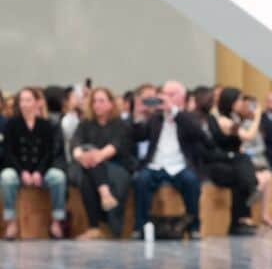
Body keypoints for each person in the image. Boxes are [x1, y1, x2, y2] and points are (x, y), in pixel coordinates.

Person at [130, 80, 204, 239]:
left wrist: (173, 111)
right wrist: (137, 115)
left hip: (180, 166)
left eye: (171, 94)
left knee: (192, 181)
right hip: (156, 165)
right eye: (164, 94)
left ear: (182, 97)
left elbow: (197, 133)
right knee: (141, 180)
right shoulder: (155, 118)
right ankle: (140, 227)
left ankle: (194, 227)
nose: (166, 98)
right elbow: (138, 136)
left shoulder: (188, 117)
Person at [68, 86, 135, 238]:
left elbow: (115, 146)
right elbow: (75, 143)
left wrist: (95, 157)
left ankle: (95, 227)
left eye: (101, 101)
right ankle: (105, 195)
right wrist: (82, 156)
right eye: (94, 101)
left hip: (115, 165)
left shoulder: (121, 125)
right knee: (87, 172)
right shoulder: (85, 123)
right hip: (86, 165)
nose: (97, 105)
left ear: (111, 103)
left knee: (91, 172)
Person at [1, 86, 68, 239]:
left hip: (40, 171)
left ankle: (56, 221)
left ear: (36, 102)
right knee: (6, 177)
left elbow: (48, 152)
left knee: (58, 177)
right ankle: (11, 222)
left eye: (28, 100)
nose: (24, 104)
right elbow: (9, 153)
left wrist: (39, 172)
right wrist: (22, 172)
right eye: (22, 101)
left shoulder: (45, 125)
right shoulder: (11, 124)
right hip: (19, 170)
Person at [203, 86, 260, 236]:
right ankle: (251, 190)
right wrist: (258, 116)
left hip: (232, 162)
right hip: (219, 163)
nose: (242, 103)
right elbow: (248, 136)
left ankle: (241, 220)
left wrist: (248, 117)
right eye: (240, 99)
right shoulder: (224, 120)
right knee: (242, 171)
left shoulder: (234, 117)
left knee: (242, 170)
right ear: (231, 101)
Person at [237, 92, 272, 228]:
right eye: (248, 105)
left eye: (254, 106)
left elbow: (261, 146)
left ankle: (264, 214)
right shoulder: (239, 123)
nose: (252, 109)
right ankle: (251, 207)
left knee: (267, 176)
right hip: (245, 161)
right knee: (263, 178)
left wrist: (248, 152)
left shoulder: (256, 124)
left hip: (256, 160)